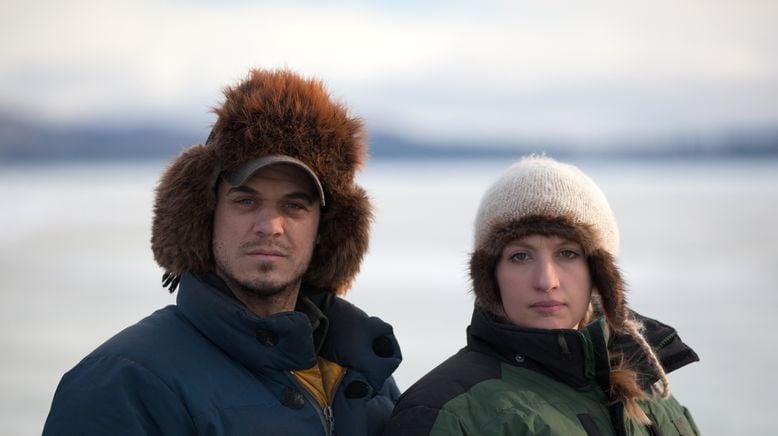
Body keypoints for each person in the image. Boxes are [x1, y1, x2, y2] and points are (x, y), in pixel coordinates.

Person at [43, 69, 402, 435]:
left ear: (326, 228)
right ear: (206, 213)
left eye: (295, 206)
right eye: (246, 201)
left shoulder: (363, 375)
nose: (270, 226)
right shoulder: (124, 384)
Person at [384, 155, 699, 435]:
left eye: (567, 253)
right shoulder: (445, 413)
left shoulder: (651, 393)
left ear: (598, 273)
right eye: (520, 256)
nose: (546, 280)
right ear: (490, 276)